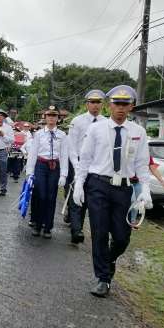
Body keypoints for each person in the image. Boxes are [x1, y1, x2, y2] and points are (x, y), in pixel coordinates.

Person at [73, 85, 151, 298]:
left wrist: (145, 189)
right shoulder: (96, 129)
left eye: (125, 104)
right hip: (98, 185)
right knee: (99, 232)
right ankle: (103, 278)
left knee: (121, 237)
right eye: (117, 103)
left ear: (131, 107)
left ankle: (110, 259)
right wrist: (79, 184)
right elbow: (85, 158)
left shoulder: (138, 132)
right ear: (110, 105)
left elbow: (143, 164)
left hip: (123, 188)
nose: (120, 108)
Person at [66, 90, 107, 243]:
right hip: (78, 162)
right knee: (77, 196)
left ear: (102, 104)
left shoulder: (106, 123)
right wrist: (77, 167)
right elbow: (71, 146)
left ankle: (90, 230)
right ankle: (77, 231)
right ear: (87, 104)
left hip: (97, 167)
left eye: (98, 102)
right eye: (92, 102)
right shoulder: (77, 121)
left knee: (93, 198)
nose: (95, 105)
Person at [25, 106, 69, 238]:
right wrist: (29, 172)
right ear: (45, 117)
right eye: (49, 115)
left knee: (51, 197)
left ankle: (48, 227)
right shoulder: (38, 134)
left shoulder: (62, 135)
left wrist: (63, 174)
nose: (51, 118)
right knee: (40, 195)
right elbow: (33, 154)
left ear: (58, 118)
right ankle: (37, 225)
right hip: (40, 165)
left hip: (54, 167)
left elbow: (64, 155)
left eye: (54, 116)